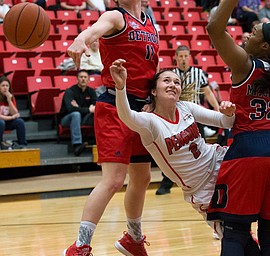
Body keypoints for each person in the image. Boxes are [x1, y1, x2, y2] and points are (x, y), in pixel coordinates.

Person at [110, 59, 270, 253]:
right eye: (166, 81)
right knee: (238, 239)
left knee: (247, 150)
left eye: (177, 81)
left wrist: (228, 112)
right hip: (201, 188)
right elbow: (126, 116)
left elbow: (227, 123)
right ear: (154, 90)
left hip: (219, 161)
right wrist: (121, 87)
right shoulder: (150, 122)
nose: (173, 84)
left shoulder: (186, 107)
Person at [207, 0, 270, 253]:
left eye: (254, 33)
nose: (248, 34)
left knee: (234, 232)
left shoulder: (245, 64)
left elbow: (213, 27)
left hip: (249, 151)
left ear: (265, 46)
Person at [63, 0, 159, 255]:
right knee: (114, 179)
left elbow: (151, 68)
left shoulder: (150, 21)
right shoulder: (116, 17)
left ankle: (133, 239)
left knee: (142, 177)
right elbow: (95, 29)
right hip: (116, 104)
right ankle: (80, 246)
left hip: (142, 109)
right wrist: (81, 39)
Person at [155, 45, 220, 196]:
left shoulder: (199, 73)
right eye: (181, 56)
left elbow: (208, 93)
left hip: (194, 117)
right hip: (175, 117)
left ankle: (206, 180)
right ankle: (166, 183)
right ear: (176, 58)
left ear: (189, 57)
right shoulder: (172, 75)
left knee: (201, 149)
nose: (183, 59)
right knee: (173, 151)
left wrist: (216, 108)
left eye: (186, 56)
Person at [59, 69, 96, 156]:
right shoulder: (70, 91)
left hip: (84, 118)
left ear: (88, 79)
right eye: (81, 77)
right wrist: (87, 109)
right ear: (77, 79)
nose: (83, 79)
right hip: (67, 119)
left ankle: (98, 142)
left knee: (97, 114)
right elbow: (70, 109)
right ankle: (77, 145)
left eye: (85, 77)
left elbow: (95, 107)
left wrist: (78, 108)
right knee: (76, 114)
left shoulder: (91, 91)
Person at [0, 76, 27, 150]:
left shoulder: (11, 97)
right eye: (3, 85)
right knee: (1, 123)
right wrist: (12, 117)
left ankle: (22, 145)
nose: (5, 87)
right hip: (1, 122)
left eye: (7, 86)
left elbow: (15, 112)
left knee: (20, 122)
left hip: (6, 122)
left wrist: (9, 100)